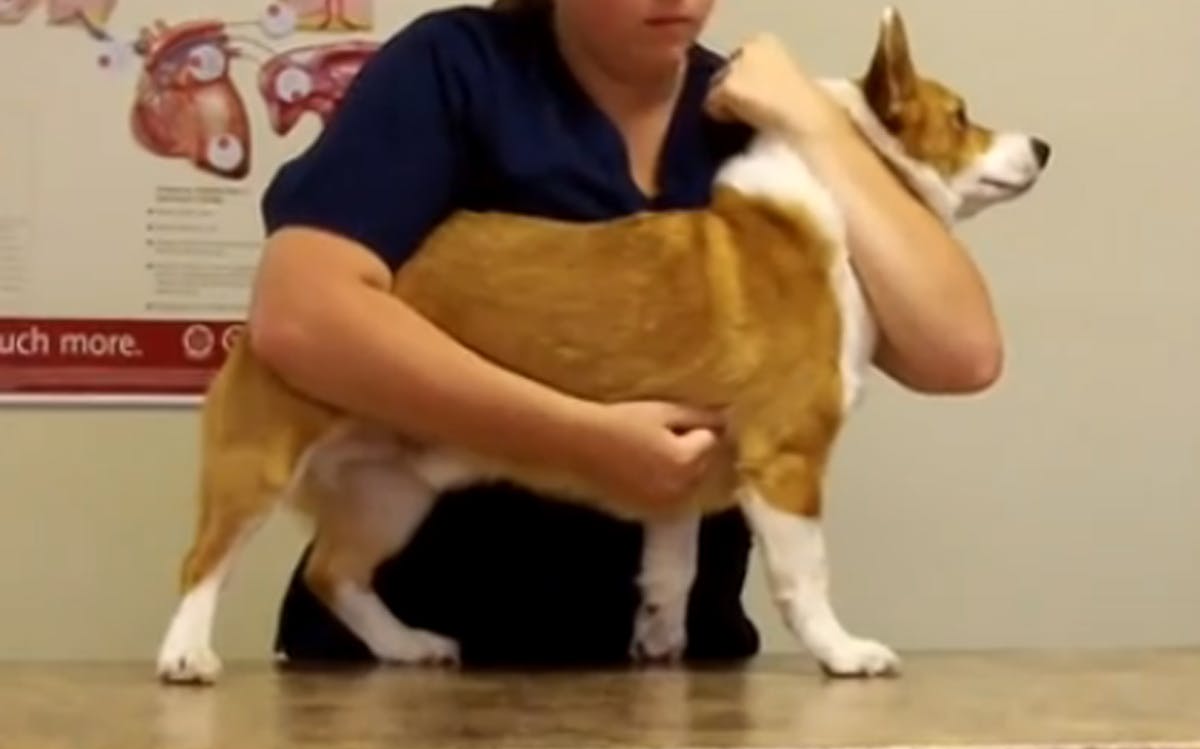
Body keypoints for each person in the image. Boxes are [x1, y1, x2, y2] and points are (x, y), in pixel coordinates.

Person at [249, 0, 1002, 666]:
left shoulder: (749, 117)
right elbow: (301, 315)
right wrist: (583, 441)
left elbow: (960, 354)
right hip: (418, 657)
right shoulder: (452, 69)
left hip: (681, 671)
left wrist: (817, 122)